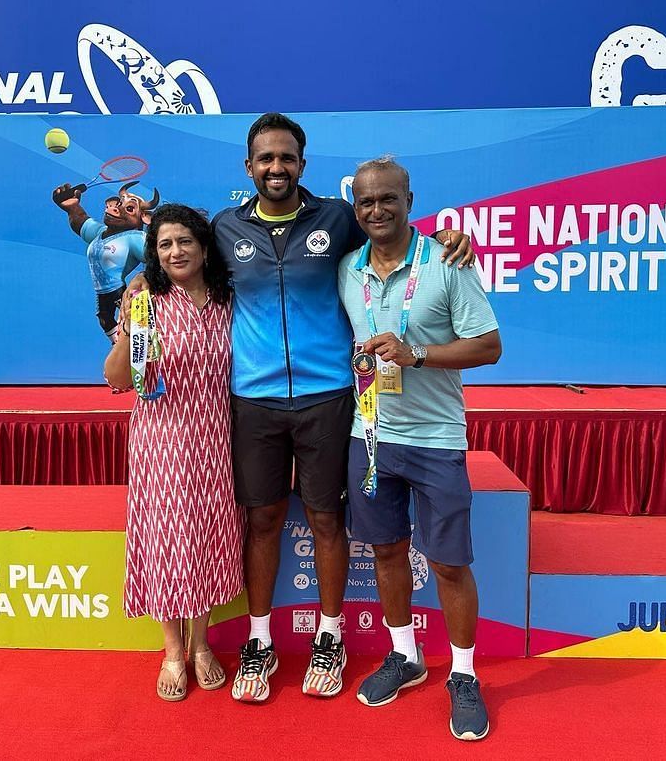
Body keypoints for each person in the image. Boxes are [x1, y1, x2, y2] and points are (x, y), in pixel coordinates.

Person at [199, 113, 473, 702]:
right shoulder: (224, 228)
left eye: (287, 158)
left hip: (330, 398)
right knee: (263, 520)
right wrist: (143, 285)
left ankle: (329, 635)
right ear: (248, 168)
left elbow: (393, 236)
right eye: (265, 159)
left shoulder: (337, 218)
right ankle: (260, 639)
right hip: (254, 400)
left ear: (303, 164)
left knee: (327, 520)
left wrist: (450, 239)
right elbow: (181, 268)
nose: (277, 168)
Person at [338, 157, 501, 741]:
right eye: (365, 202)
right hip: (371, 436)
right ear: (354, 208)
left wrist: (419, 354)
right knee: (385, 552)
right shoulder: (347, 268)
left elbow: (489, 347)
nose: (376, 210)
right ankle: (404, 656)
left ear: (410, 199)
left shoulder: (446, 263)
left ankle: (462, 674)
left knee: (450, 564)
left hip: (435, 440)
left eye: (388, 199)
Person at [103, 203, 243, 702]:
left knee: (203, 540)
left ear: (204, 248)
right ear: (154, 255)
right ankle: (170, 650)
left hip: (217, 441)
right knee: (167, 542)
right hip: (161, 442)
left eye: (184, 241)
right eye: (164, 244)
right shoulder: (146, 304)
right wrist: (132, 329)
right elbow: (120, 380)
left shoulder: (229, 300)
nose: (176, 251)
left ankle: (201, 644)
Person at [53, 181, 159, 342]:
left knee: (134, 322)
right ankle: (120, 347)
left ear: (144, 218)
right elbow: (80, 220)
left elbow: (161, 260)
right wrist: (73, 207)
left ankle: (150, 346)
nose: (116, 208)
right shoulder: (99, 233)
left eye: (129, 209)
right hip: (103, 291)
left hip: (121, 291)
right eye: (119, 203)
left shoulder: (135, 238)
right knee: (105, 319)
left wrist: (145, 279)